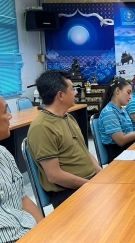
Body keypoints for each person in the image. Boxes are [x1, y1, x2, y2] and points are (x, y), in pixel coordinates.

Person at [27, 70, 102, 209]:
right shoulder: (42, 127)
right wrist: (90, 184)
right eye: (72, 89)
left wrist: (102, 175)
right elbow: (55, 176)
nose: (76, 93)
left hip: (88, 183)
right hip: (69, 193)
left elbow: (84, 152)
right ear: (60, 95)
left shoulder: (68, 117)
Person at [0, 96, 43, 241]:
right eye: (5, 111)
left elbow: (23, 198)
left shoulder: (4, 153)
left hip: (29, 231)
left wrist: (45, 229)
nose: (10, 116)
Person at [99, 76, 135, 163]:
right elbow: (121, 141)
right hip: (118, 153)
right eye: (128, 93)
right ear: (118, 91)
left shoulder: (122, 109)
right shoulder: (109, 112)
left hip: (129, 147)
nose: (130, 97)